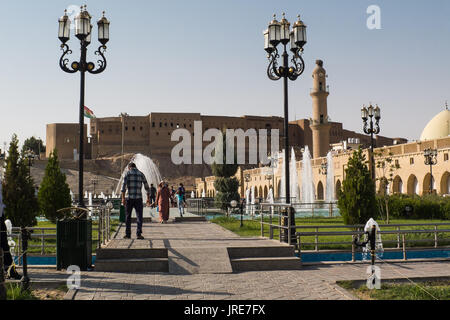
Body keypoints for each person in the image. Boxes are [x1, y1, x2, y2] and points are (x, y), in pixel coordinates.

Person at [121, 162, 151, 240]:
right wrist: (148, 198)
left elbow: (123, 187)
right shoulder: (141, 174)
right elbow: (147, 187)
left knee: (128, 217)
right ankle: (138, 234)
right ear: (135, 167)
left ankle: (128, 234)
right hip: (138, 198)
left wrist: (123, 198)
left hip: (129, 198)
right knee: (139, 216)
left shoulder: (127, 174)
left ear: (129, 167)